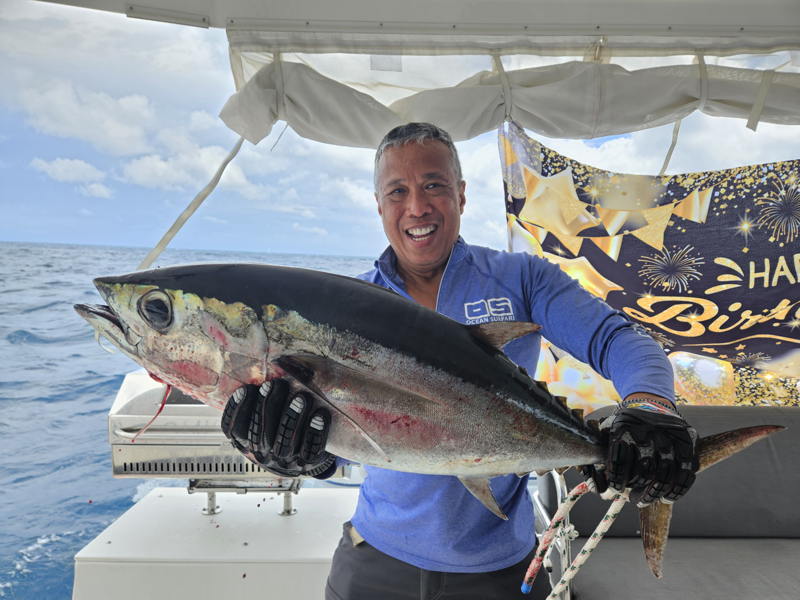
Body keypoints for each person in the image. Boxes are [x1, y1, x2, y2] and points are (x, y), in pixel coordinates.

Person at [222, 123, 699, 599]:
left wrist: (650, 406)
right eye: (397, 191)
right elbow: (337, 428)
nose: (417, 207)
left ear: (462, 195)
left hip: (496, 568)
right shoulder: (349, 306)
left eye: (434, 185)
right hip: (375, 556)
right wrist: (302, 457)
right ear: (379, 205)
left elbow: (622, 341)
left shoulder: (520, 278)